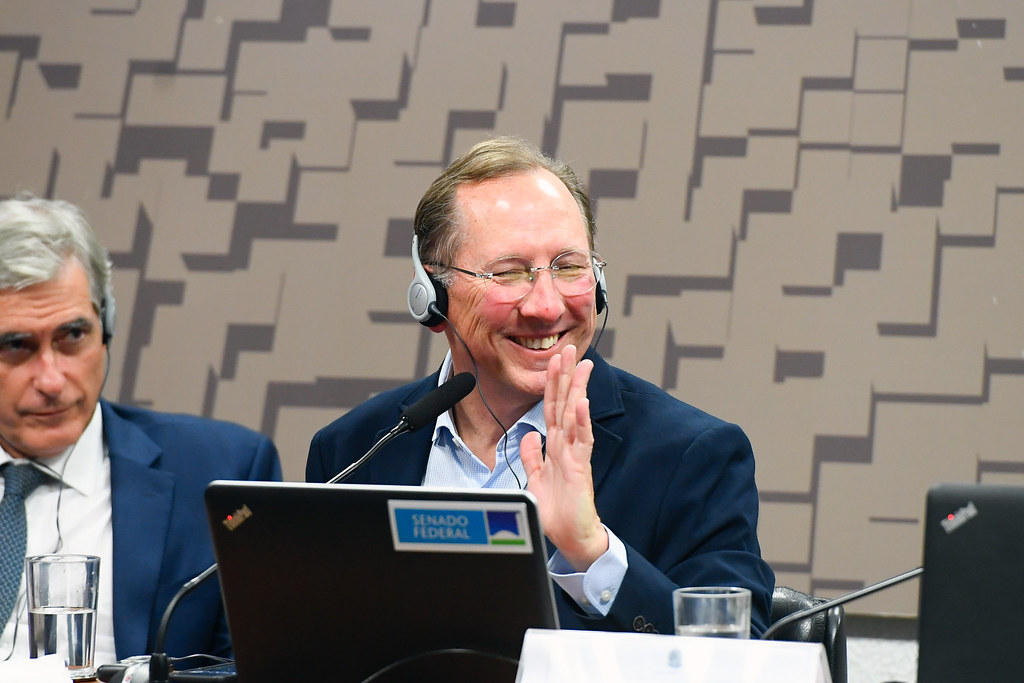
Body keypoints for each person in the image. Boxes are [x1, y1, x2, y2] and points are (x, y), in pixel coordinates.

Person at [306, 136, 774, 636]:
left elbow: (735, 657)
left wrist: (592, 551)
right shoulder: (353, 452)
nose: (546, 306)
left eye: (569, 267)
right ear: (433, 298)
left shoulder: (693, 457)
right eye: (509, 274)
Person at [0, 194, 282, 667]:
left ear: (105, 324)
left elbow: (261, 666)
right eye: (15, 346)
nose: (51, 380)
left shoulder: (221, 472)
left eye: (73, 337)